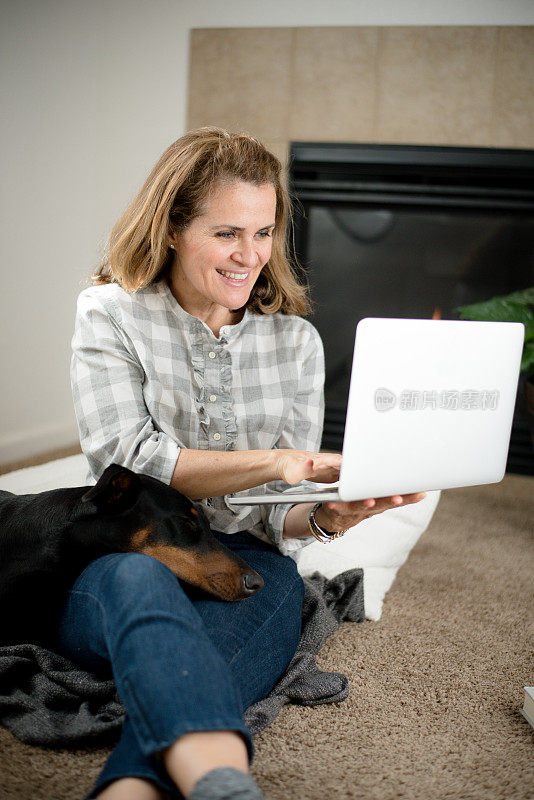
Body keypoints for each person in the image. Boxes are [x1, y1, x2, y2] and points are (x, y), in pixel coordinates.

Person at [62, 127, 425, 800]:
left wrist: (325, 517)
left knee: (258, 611)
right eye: (228, 232)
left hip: (244, 561)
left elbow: (275, 512)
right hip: (131, 546)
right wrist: (282, 460)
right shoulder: (110, 314)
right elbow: (131, 462)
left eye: (263, 234)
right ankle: (219, 781)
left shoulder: (296, 344)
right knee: (143, 595)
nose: (249, 256)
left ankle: (136, 790)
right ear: (171, 227)